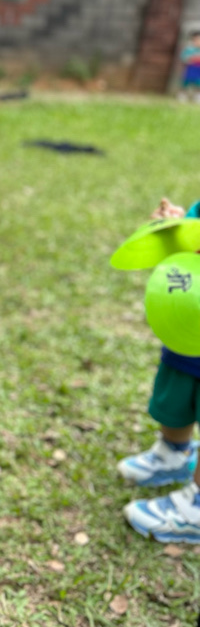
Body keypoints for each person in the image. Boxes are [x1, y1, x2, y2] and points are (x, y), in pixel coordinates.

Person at [121, 198, 200, 544]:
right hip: (189, 324)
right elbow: (190, 240)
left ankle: (196, 510)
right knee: (175, 398)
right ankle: (174, 454)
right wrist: (177, 226)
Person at [181, 30, 200, 103]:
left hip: (199, 69)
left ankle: (197, 96)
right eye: (197, 40)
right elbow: (184, 57)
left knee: (198, 83)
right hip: (191, 68)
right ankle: (183, 95)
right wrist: (191, 59)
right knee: (186, 81)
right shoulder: (189, 49)